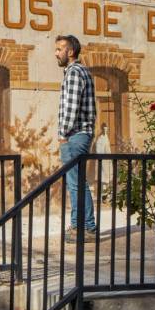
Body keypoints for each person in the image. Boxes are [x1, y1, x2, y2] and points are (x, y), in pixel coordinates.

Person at [55, 34, 97, 243]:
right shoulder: (82, 71)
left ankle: (85, 228)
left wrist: (62, 135)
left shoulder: (73, 73)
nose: (56, 53)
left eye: (60, 49)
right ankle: (80, 226)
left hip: (75, 136)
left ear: (70, 52)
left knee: (75, 184)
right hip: (81, 135)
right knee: (78, 182)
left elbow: (70, 109)